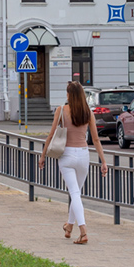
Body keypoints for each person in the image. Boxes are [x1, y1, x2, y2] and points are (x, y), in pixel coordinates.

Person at [40, 81, 108, 245]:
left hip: (67, 155)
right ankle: (69, 226)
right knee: (76, 193)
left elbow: (51, 135)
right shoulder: (88, 112)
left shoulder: (61, 110)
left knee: (75, 193)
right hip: (83, 155)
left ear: (69, 95)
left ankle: (83, 231)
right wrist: (103, 161)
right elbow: (96, 139)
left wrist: (43, 156)